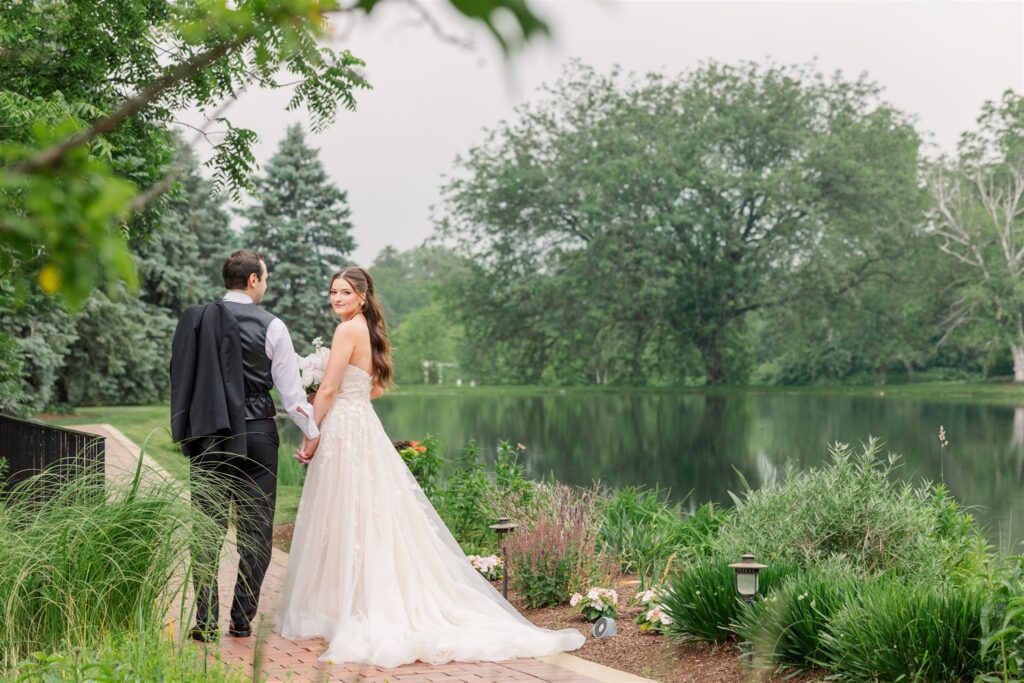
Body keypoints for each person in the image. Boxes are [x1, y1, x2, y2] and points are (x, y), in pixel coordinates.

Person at [276, 267, 585, 667]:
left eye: (345, 293)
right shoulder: (367, 330)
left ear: (362, 298)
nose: (336, 298)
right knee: (362, 514)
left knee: (344, 512)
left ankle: (348, 604)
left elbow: (332, 389)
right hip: (362, 426)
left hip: (344, 432)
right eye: (333, 292)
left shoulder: (345, 331)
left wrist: (310, 434)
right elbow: (374, 388)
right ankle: (350, 600)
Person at [170, 250, 320, 642]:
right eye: (265, 278)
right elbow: (291, 394)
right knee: (256, 531)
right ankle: (241, 617)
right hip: (255, 436)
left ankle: (203, 621)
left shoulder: (198, 321)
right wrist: (312, 430)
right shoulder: (272, 326)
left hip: (210, 437)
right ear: (253, 280)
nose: (265, 284)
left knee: (205, 530)